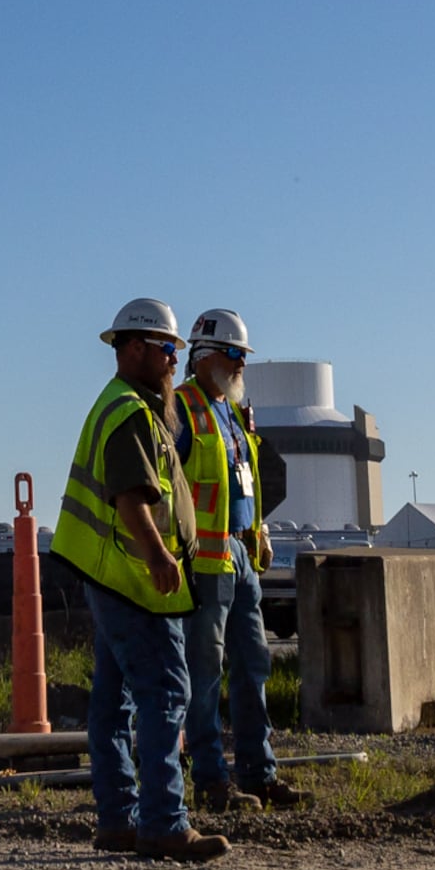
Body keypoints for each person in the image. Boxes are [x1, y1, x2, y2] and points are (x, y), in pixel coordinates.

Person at [50, 297, 228, 862]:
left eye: (174, 350)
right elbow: (131, 497)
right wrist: (159, 558)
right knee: (166, 691)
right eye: (166, 349)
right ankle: (163, 822)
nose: (175, 359)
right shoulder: (129, 410)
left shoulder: (135, 407)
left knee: (113, 701)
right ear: (132, 349)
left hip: (112, 577)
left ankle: (119, 820)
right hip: (133, 581)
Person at [172, 307, 297, 810]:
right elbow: (168, 488)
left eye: (243, 356)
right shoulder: (180, 409)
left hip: (241, 558)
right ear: (205, 357)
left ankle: (258, 771)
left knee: (254, 664)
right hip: (204, 564)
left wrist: (258, 530)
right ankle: (210, 780)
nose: (241, 364)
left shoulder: (232, 412)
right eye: (234, 355)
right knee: (204, 674)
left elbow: (242, 482)